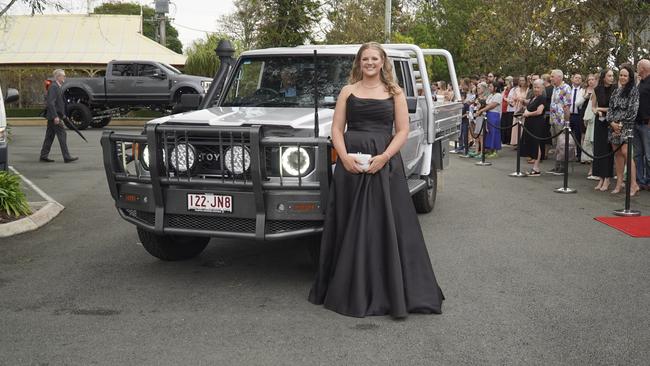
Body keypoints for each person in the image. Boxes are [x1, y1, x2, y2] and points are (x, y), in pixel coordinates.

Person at [309, 42, 444, 318]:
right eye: (365, 58)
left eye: (374, 58)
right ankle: (349, 287)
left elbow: (402, 130)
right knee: (350, 224)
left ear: (383, 62)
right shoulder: (348, 91)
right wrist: (344, 158)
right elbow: (337, 128)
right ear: (359, 62)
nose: (369, 63)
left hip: (384, 165)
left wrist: (383, 157)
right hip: (351, 167)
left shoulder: (395, 92)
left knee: (387, 225)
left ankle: (388, 289)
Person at [608, 64, 640, 195]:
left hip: (626, 127)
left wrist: (620, 124)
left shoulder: (633, 91)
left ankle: (633, 184)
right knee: (617, 154)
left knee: (626, 153)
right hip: (613, 127)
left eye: (625, 75)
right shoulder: (616, 91)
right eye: (621, 75)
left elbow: (633, 111)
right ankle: (619, 183)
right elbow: (610, 109)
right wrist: (612, 123)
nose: (622, 77)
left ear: (630, 77)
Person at [40, 69, 77, 163]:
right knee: (62, 134)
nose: (64, 77)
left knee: (49, 136)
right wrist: (55, 116)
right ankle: (67, 157)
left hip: (54, 116)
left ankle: (43, 155)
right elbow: (51, 103)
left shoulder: (57, 86)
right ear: (58, 77)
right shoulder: (54, 87)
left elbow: (58, 104)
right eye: (63, 76)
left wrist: (63, 115)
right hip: (54, 117)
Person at [591, 69, 615, 191]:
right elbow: (593, 106)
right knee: (599, 149)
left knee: (608, 150)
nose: (612, 78)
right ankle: (600, 178)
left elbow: (614, 108)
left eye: (612, 75)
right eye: (609, 75)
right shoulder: (597, 89)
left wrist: (601, 109)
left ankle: (607, 179)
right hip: (599, 122)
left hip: (611, 122)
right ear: (604, 77)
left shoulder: (615, 89)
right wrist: (597, 111)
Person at [546, 69, 573, 175]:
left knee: (562, 144)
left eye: (552, 76)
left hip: (561, 120)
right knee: (556, 144)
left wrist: (566, 122)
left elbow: (567, 106)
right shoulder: (555, 88)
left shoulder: (566, 88)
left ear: (559, 77)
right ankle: (556, 166)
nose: (551, 78)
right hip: (553, 119)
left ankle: (563, 167)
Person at [520, 79, 547, 175]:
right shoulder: (533, 98)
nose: (536, 89)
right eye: (535, 87)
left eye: (538, 87)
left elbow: (539, 111)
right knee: (532, 144)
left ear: (542, 88)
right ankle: (534, 167)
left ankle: (536, 168)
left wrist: (528, 114)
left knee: (537, 145)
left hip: (537, 124)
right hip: (530, 124)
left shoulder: (542, 98)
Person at [634, 59, 650, 190]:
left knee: (649, 156)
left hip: (647, 124)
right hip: (637, 123)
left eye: (638, 67)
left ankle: (649, 181)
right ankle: (641, 181)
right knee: (638, 154)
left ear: (642, 68)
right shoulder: (641, 82)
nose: (637, 70)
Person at [476, 81, 502, 158]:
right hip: (488, 114)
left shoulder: (498, 95)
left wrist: (481, 110)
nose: (489, 88)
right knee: (489, 132)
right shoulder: (490, 95)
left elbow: (491, 105)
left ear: (495, 88)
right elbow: (486, 104)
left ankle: (495, 151)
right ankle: (489, 149)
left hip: (494, 115)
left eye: (491, 87)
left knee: (494, 132)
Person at [582, 74, 598, 177]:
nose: (592, 82)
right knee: (591, 145)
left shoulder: (597, 92)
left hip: (597, 120)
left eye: (594, 80)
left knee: (595, 145)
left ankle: (595, 170)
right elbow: (589, 107)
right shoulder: (593, 92)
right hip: (592, 120)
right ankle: (592, 169)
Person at [508, 76, 529, 147]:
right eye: (520, 80)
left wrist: (522, 100)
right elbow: (512, 100)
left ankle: (523, 143)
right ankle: (517, 143)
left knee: (523, 125)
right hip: (517, 109)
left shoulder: (528, 89)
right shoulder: (516, 89)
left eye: (523, 80)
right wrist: (511, 101)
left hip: (525, 109)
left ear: (526, 81)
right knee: (516, 125)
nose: (521, 82)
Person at [500, 76, 515, 145]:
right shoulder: (505, 89)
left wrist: (505, 98)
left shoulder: (513, 89)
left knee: (508, 124)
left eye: (507, 80)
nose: (506, 82)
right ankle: (503, 139)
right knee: (503, 124)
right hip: (503, 108)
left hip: (509, 108)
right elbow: (502, 96)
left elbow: (510, 98)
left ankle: (508, 140)